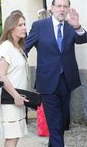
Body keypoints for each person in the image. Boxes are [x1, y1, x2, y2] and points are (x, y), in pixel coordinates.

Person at [25, 0, 87, 147]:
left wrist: (77, 26)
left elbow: (83, 39)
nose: (62, 9)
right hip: (47, 82)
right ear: (52, 8)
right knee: (55, 124)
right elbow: (25, 47)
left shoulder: (70, 26)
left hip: (67, 81)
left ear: (68, 9)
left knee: (62, 122)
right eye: (58, 6)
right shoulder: (40, 26)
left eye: (65, 6)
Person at [0, 10, 29, 147]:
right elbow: (1, 75)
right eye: (20, 25)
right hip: (10, 98)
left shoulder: (18, 47)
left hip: (17, 98)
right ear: (11, 28)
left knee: (15, 137)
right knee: (12, 137)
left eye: (24, 24)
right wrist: (16, 96)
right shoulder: (6, 47)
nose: (24, 28)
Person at [36, 9, 51, 137]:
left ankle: (44, 129)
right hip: (46, 74)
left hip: (43, 74)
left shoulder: (38, 31)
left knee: (43, 105)